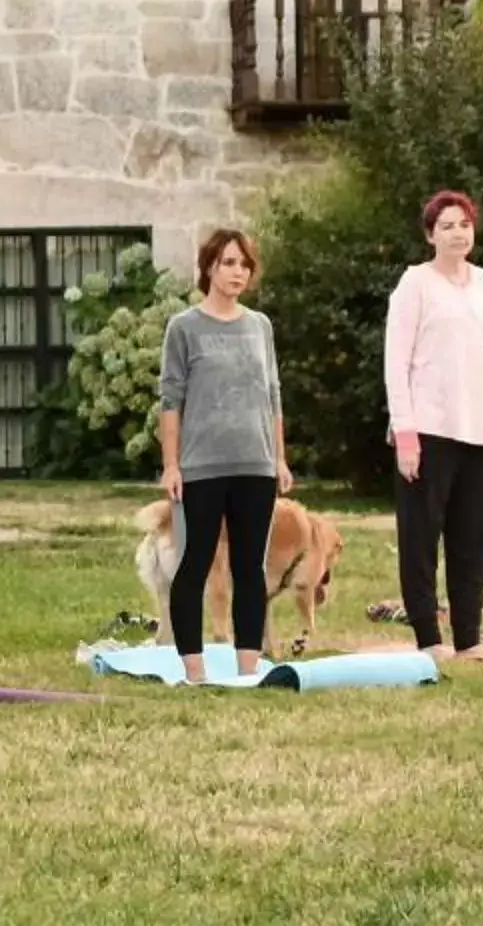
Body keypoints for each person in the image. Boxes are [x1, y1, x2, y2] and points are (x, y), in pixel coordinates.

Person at [384, 190, 483, 658]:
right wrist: (406, 434)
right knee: (421, 538)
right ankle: (428, 637)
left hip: (482, 428)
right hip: (430, 429)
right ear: (430, 235)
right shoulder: (415, 284)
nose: (457, 232)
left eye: (464, 224)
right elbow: (395, 362)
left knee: (472, 541)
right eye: (447, 226)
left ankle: (469, 638)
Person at [155, 229, 290, 683]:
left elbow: (272, 396)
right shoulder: (184, 328)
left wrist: (280, 459)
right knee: (194, 563)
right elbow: (171, 400)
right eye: (229, 262)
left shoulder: (260, 326)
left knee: (249, 568)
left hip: (255, 463)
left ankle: (248, 669)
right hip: (201, 466)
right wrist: (172, 465)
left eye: (245, 265)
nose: (238, 272)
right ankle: (194, 671)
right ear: (210, 266)